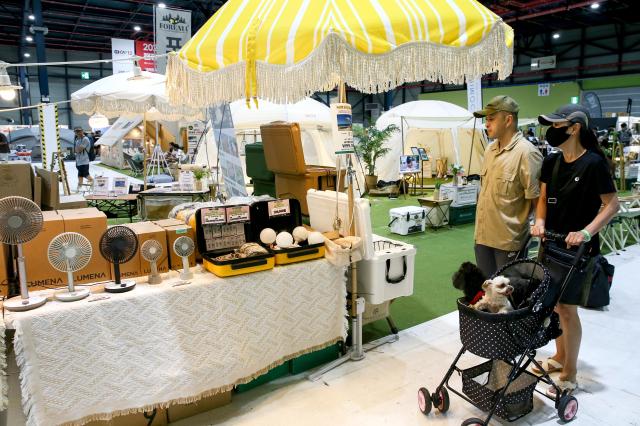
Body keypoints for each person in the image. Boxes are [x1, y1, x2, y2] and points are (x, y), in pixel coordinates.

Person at [530, 104, 619, 397]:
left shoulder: (593, 164)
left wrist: (585, 232)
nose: (552, 131)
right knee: (554, 304)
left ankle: (570, 371)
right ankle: (558, 356)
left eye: (557, 126)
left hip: (579, 251)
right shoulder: (551, 161)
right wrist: (539, 221)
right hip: (551, 243)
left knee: (567, 309)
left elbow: (611, 205)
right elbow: (542, 198)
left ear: (575, 127)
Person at [472, 96, 543, 278]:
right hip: (483, 237)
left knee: (510, 295)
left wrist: (541, 230)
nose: (486, 124)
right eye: (486, 119)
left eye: (491, 119)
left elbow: (538, 200)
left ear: (508, 120)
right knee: (488, 291)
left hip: (508, 242)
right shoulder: (490, 150)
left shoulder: (526, 153)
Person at [73, 127, 93, 191]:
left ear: (82, 131)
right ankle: (79, 188)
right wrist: (76, 150)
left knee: (86, 174)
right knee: (80, 175)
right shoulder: (77, 140)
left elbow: (79, 150)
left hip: (84, 161)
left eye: (79, 131)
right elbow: (76, 150)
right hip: (78, 161)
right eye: (76, 132)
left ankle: (95, 183)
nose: (77, 133)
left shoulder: (85, 139)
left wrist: (76, 150)